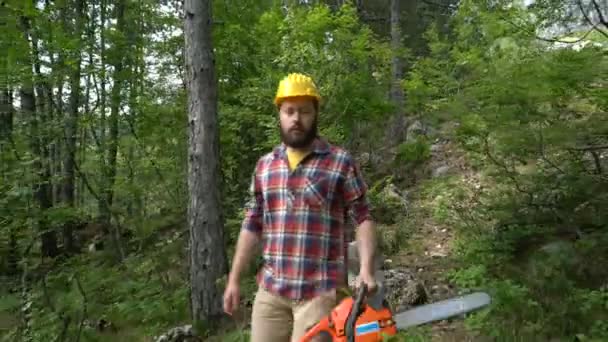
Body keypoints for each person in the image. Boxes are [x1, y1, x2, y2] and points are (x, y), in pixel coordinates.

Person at [222, 72, 379, 342]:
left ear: (315, 113)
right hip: (271, 292)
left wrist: (365, 269)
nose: (296, 118)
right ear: (280, 114)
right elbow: (252, 223)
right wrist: (234, 279)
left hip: (321, 292)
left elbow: (362, 217)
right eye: (289, 111)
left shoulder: (339, 161)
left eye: (304, 111)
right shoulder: (265, 165)